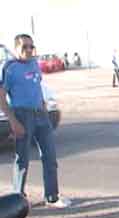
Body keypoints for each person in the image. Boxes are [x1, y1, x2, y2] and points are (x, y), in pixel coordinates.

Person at [0, 34, 71, 208]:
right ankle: (18, 199)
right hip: (22, 116)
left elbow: (37, 86)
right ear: (16, 48)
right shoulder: (9, 68)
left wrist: (44, 108)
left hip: (41, 114)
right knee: (22, 159)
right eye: (25, 47)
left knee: (50, 156)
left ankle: (52, 197)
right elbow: (1, 95)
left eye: (31, 46)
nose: (29, 50)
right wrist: (13, 121)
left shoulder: (34, 64)